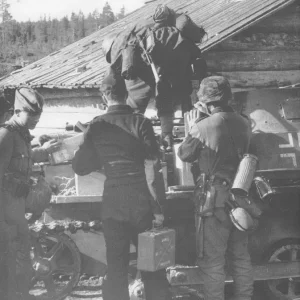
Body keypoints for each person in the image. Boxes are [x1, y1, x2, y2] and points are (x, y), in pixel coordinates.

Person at [72, 67, 171, 300]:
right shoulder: (141, 122)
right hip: (142, 205)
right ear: (125, 94)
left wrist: (103, 161)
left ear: (104, 97)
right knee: (152, 268)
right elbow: (154, 164)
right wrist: (158, 208)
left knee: (116, 269)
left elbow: (79, 167)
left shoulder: (96, 126)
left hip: (114, 204)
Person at [178, 76, 253, 300]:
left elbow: (184, 154)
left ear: (206, 102)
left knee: (213, 263)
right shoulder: (244, 122)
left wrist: (192, 127)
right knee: (241, 259)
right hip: (240, 196)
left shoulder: (202, 127)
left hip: (213, 202)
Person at [0, 87, 61, 300]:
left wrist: (43, 151)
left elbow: (21, 158)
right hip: (5, 214)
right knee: (8, 269)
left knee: (22, 264)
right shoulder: (6, 135)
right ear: (17, 111)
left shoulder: (21, 135)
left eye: (38, 114)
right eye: (31, 114)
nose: (36, 118)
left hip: (16, 211)